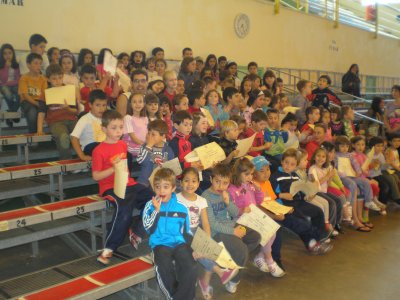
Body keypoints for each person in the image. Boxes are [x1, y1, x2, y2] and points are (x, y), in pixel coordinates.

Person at [92, 110, 153, 265]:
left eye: (120, 127)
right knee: (124, 210)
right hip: (110, 188)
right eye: (114, 127)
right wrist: (113, 169)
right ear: (104, 129)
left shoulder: (122, 144)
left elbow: (125, 169)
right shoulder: (98, 150)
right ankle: (108, 249)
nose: (118, 131)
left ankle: (137, 230)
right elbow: (96, 176)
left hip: (128, 183)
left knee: (154, 199)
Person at [177, 168, 238, 299]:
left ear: (198, 183)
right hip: (180, 233)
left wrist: (207, 241)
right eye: (186, 180)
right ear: (181, 183)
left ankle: (205, 283)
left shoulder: (201, 200)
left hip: (195, 231)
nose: (190, 184)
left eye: (194, 181)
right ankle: (220, 272)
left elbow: (205, 224)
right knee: (201, 249)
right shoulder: (176, 199)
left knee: (208, 248)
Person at [253, 155, 333, 255]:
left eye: (268, 169)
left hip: (287, 206)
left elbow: (273, 198)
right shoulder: (262, 182)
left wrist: (307, 194)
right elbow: (263, 203)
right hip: (277, 210)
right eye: (262, 171)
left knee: (316, 212)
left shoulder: (269, 181)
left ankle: (315, 242)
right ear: (253, 173)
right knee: (303, 223)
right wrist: (281, 204)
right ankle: (317, 239)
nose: (266, 173)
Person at [202, 164, 261, 294]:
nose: (221, 186)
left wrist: (228, 202)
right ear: (211, 179)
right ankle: (233, 281)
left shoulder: (226, 193)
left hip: (231, 225)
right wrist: (233, 232)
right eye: (217, 182)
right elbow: (212, 224)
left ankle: (231, 260)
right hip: (217, 232)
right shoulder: (206, 197)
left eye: (225, 183)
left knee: (256, 237)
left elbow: (235, 213)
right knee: (242, 251)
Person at [142, 168, 197, 300]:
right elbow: (147, 228)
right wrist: (156, 211)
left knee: (191, 266)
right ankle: (174, 297)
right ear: (154, 189)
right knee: (164, 267)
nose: (161, 191)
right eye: (158, 187)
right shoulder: (150, 205)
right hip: (160, 244)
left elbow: (186, 232)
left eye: (166, 187)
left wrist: (194, 248)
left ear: (173, 188)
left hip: (179, 243)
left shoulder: (181, 207)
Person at [228, 158, 285, 277]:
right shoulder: (232, 188)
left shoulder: (251, 185)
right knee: (267, 232)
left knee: (272, 231)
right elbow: (231, 210)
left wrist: (259, 191)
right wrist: (241, 210)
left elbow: (259, 201)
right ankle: (269, 260)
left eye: (252, 174)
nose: (250, 177)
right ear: (238, 173)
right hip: (241, 220)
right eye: (247, 174)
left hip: (253, 217)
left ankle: (260, 256)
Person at [269, 149, 327, 240]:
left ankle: (319, 238)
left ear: (296, 166)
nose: (288, 166)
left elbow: (300, 190)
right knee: (304, 221)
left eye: (292, 164)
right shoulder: (276, 176)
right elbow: (271, 194)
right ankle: (312, 241)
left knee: (318, 211)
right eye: (286, 162)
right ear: (282, 161)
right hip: (286, 205)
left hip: (299, 203)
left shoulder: (295, 176)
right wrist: (281, 195)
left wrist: (307, 195)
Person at [42, 64, 78, 159]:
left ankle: (82, 159)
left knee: (81, 133)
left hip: (71, 119)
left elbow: (76, 111)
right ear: (48, 79)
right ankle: (67, 162)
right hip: (56, 122)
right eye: (54, 78)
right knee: (63, 137)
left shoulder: (68, 90)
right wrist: (39, 129)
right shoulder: (46, 92)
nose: (57, 81)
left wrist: (68, 109)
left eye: (60, 78)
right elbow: (41, 112)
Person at [70, 89, 107, 160]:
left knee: (126, 154)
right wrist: (82, 156)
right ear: (90, 105)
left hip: (104, 146)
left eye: (104, 105)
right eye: (98, 105)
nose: (101, 108)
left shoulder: (107, 118)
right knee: (102, 148)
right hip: (89, 147)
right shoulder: (85, 119)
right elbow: (73, 138)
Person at [18, 53, 47, 134]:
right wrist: (37, 104)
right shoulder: (24, 78)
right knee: (32, 112)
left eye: (40, 63)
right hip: (26, 102)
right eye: (36, 63)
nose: (39, 66)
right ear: (28, 65)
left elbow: (44, 93)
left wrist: (40, 104)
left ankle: (41, 132)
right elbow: (25, 95)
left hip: (40, 101)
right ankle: (33, 135)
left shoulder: (43, 79)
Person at [0, 43, 20, 127]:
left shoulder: (16, 65)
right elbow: (3, 80)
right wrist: (6, 67)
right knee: (8, 95)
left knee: (21, 94)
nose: (8, 55)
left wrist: (9, 83)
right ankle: (13, 115)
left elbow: (18, 80)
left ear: (13, 54)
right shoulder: (1, 66)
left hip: (14, 85)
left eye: (10, 53)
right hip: (4, 86)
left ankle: (10, 114)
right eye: (5, 53)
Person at [122, 93, 148, 158]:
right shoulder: (128, 118)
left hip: (142, 145)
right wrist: (144, 146)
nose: (137, 104)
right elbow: (132, 136)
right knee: (150, 152)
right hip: (131, 146)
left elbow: (148, 133)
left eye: (140, 101)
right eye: (134, 102)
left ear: (144, 104)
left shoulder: (145, 118)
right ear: (130, 104)